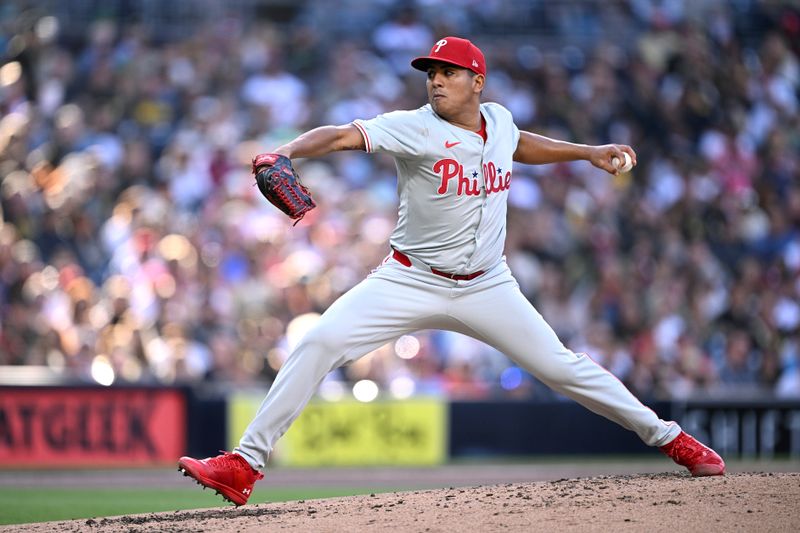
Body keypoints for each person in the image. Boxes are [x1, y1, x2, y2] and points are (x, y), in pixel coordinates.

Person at [178, 36, 725, 506]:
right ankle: (245, 465)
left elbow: (519, 146)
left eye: (448, 73)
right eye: (431, 74)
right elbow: (344, 133)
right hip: (408, 279)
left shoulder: (500, 122)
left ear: (477, 81)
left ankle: (672, 439)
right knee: (319, 341)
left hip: (488, 283)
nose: (436, 82)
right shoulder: (413, 128)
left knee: (563, 368)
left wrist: (587, 152)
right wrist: (286, 151)